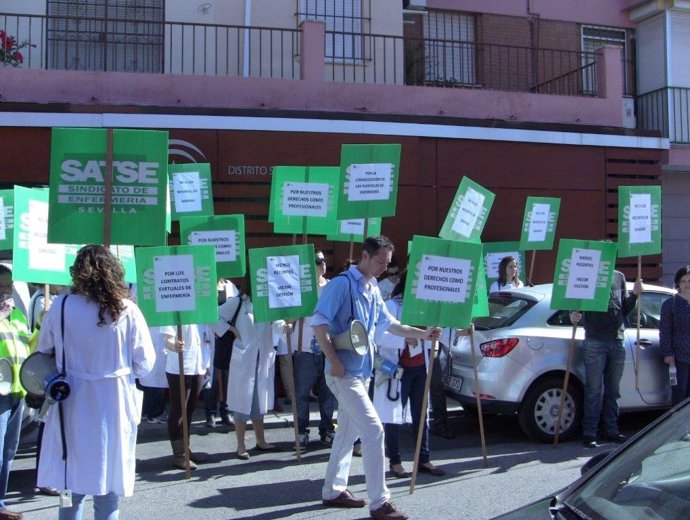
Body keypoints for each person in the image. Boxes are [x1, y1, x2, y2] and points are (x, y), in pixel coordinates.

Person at [312, 235, 439, 520]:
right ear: (365, 256)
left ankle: (332, 491)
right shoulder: (341, 284)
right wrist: (334, 363)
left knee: (347, 434)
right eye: (381, 261)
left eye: (388, 263)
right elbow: (318, 324)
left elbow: (390, 324)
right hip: (344, 374)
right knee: (373, 430)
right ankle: (380, 503)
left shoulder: (371, 289)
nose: (385, 267)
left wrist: (423, 334)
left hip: (361, 373)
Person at [36, 244, 155, 520]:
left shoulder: (62, 306)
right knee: (108, 486)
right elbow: (145, 365)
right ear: (113, 272)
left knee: (70, 482)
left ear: (78, 273)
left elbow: (44, 351)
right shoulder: (128, 310)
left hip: (73, 400)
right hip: (113, 402)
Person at [373, 271, 445, 479]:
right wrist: (404, 340)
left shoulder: (425, 308)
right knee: (394, 416)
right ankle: (395, 462)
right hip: (398, 370)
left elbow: (434, 336)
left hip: (420, 368)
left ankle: (423, 458)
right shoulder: (392, 306)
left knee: (421, 413)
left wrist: (436, 335)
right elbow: (379, 335)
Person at [570, 270, 642, 448]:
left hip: (617, 340)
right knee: (594, 389)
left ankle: (610, 429)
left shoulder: (619, 276)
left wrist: (634, 295)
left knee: (613, 390)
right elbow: (574, 301)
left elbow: (624, 308)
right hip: (594, 340)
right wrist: (573, 314)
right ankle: (590, 432)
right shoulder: (588, 272)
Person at [214, 276, 280, 460]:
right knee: (242, 402)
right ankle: (241, 445)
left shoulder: (268, 304)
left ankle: (260, 440)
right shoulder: (237, 303)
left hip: (262, 358)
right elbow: (213, 317)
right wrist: (232, 331)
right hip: (244, 358)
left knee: (259, 400)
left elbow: (277, 322)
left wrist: (286, 327)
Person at [275, 250, 336, 450]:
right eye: (318, 261)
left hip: (327, 347)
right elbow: (287, 319)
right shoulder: (298, 289)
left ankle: (327, 430)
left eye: (324, 260)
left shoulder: (332, 288)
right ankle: (301, 432)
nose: (323, 264)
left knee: (327, 394)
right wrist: (296, 314)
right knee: (301, 394)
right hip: (304, 349)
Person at [160, 323, 212, 470]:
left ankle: (186, 450)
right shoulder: (174, 309)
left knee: (189, 410)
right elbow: (167, 338)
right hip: (179, 367)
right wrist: (174, 345)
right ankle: (179, 455)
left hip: (197, 366)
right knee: (179, 411)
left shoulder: (199, 314)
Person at [0, 266, 30, 520]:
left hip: (17, 391)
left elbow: (31, 346)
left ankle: (0, 502)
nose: (4, 295)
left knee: (9, 452)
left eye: (7, 289)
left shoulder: (18, 315)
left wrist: (43, 323)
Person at [204, 278, 239, 428]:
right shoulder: (204, 285)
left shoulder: (230, 286)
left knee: (227, 376)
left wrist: (228, 329)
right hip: (209, 337)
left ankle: (226, 412)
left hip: (227, 337)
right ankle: (210, 413)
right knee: (210, 377)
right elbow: (204, 312)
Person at [659, 265, 690, 406]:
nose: (686, 284)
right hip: (679, 357)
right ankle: (677, 427)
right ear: (678, 282)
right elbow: (664, 330)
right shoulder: (670, 304)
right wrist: (668, 353)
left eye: (689, 280)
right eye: (683, 281)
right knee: (680, 394)